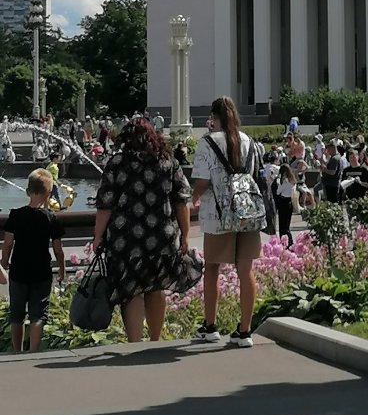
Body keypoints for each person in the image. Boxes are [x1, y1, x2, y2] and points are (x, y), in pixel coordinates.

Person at [93, 118, 196, 344]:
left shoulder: (118, 162)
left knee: (131, 290)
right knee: (156, 286)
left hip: (126, 238)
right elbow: (182, 201)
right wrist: (185, 235)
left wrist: (98, 236)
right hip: (162, 236)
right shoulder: (168, 162)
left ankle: (134, 343)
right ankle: (155, 340)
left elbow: (105, 203)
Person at [192, 96, 261, 348]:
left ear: (214, 116)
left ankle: (210, 326)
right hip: (246, 211)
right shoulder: (249, 142)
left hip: (218, 213)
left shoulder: (207, 143)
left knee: (211, 268)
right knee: (246, 270)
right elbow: (253, 174)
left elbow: (201, 180)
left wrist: (194, 195)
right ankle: (245, 330)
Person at [1, 169, 64, 353]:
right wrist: (61, 269)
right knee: (38, 314)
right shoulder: (51, 218)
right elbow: (59, 251)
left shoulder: (16, 215)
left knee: (16, 315)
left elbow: (7, 244)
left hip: (19, 271)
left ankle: (16, 350)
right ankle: (34, 350)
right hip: (41, 272)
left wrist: (4, 263)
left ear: (28, 191)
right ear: (48, 193)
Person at [274, 163, 297, 247]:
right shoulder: (292, 180)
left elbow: (278, 192)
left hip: (283, 202)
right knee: (287, 224)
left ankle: (284, 242)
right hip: (289, 201)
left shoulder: (283, 181)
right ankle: (290, 242)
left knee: (282, 225)